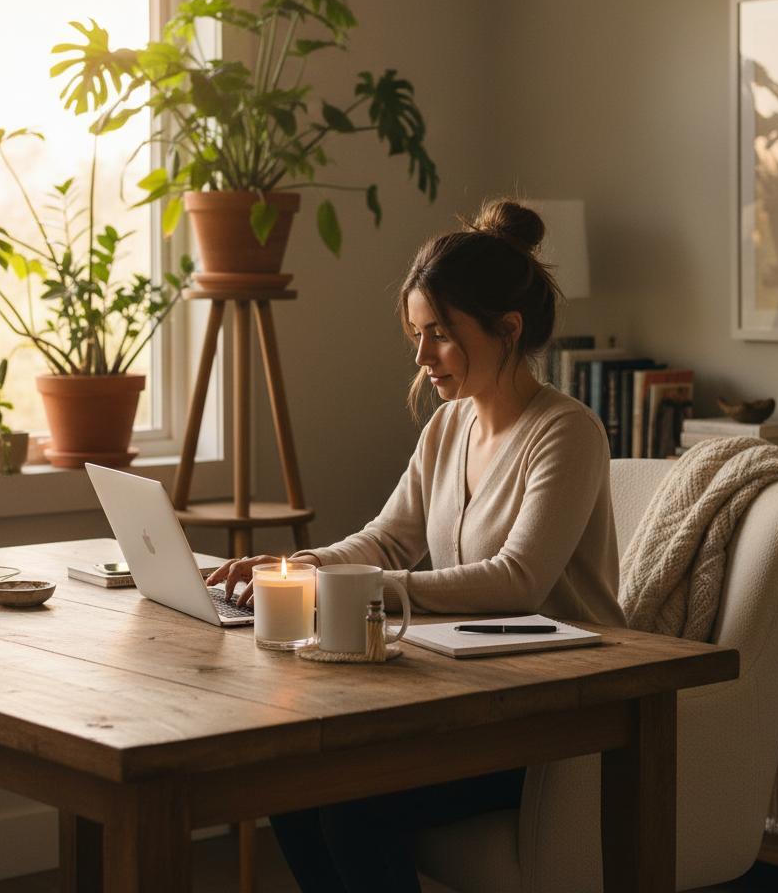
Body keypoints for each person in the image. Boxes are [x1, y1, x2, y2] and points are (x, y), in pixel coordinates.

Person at [207, 198, 626, 893]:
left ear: (507, 329)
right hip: (471, 692)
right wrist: (297, 566)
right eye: (416, 333)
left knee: (351, 806)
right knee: (284, 787)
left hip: (557, 715)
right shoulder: (448, 427)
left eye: (438, 333)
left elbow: (516, 580)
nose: (421, 355)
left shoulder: (567, 432)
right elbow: (389, 539)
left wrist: (354, 592)